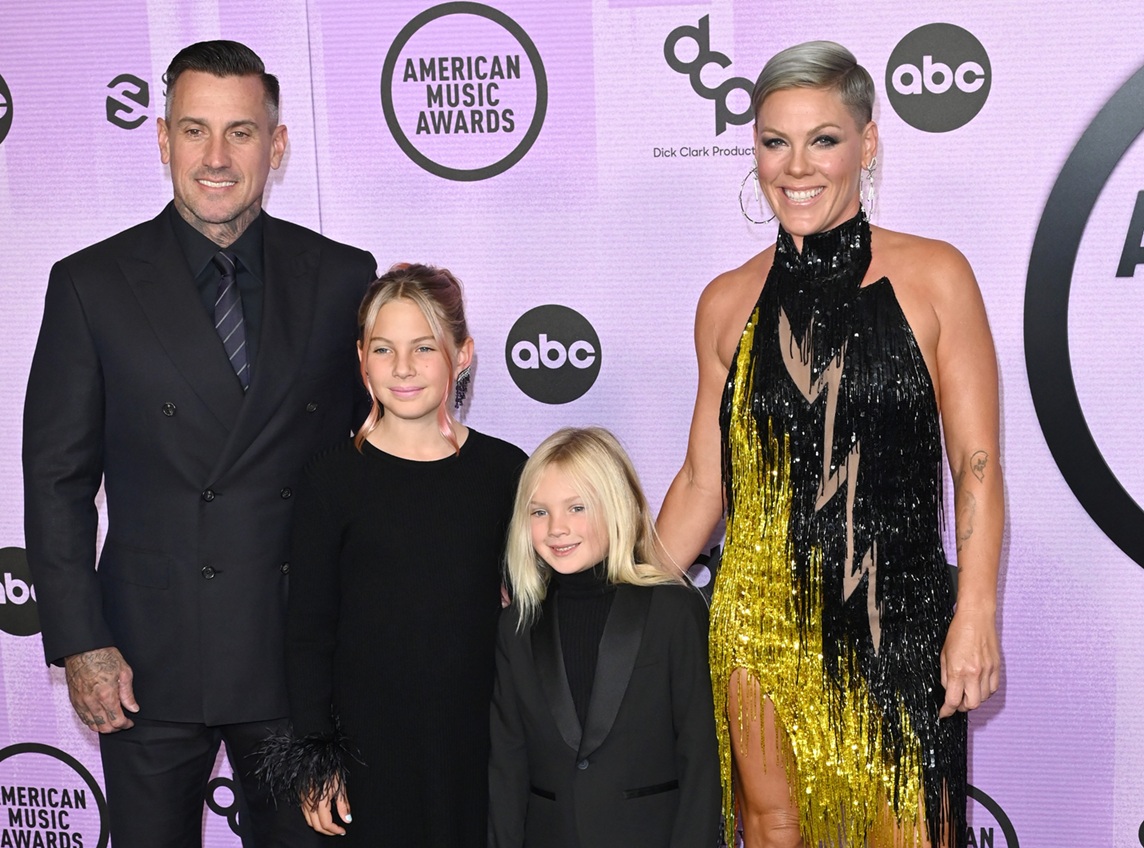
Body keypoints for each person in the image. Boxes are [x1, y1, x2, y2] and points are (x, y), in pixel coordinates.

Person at [21, 40, 376, 847]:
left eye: (241, 133)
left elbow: (377, 454)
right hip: (144, 661)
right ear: (162, 139)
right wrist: (82, 643)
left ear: (276, 146)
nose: (216, 158)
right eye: (194, 130)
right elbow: (56, 478)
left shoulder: (341, 277)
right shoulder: (91, 284)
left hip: (295, 653)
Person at [656, 41, 1003, 848]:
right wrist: (608, 594)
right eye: (775, 141)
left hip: (901, 616)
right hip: (760, 623)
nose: (795, 166)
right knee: (773, 832)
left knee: (910, 831)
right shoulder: (725, 302)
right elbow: (703, 484)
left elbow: (976, 464)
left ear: (868, 144)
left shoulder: (936, 276)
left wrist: (976, 609)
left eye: (823, 139)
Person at [259, 263, 527, 846]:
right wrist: (317, 754)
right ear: (361, 358)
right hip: (365, 757)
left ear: (463, 355)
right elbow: (308, 628)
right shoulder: (331, 477)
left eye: (424, 347)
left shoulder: (506, 472)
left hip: (479, 747)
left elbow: (532, 611)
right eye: (384, 349)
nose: (403, 368)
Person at [489, 427, 721, 848]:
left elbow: (702, 763)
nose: (557, 528)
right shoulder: (517, 626)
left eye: (577, 507)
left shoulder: (673, 612)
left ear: (618, 507)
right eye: (539, 512)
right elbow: (508, 764)